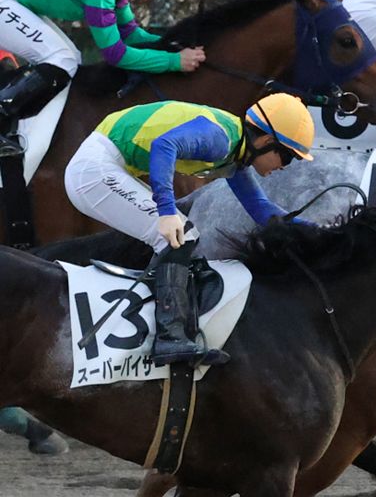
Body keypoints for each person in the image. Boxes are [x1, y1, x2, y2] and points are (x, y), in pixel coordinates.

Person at [64, 94, 315, 366]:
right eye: (287, 157)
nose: (284, 167)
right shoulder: (221, 140)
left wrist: (320, 231)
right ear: (265, 141)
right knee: (180, 235)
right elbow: (164, 145)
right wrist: (166, 210)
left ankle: (162, 327)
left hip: (107, 165)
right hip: (94, 170)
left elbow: (261, 209)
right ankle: (168, 338)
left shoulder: (235, 155)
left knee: (182, 235)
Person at [0, 0, 205, 156]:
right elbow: (115, 54)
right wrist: (174, 62)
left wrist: (170, 46)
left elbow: (130, 34)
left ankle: (25, 126)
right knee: (61, 59)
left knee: (71, 59)